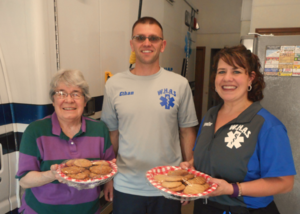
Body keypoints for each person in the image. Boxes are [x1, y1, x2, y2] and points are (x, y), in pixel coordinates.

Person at [181, 45, 296, 214]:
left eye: (236, 71)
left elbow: (285, 182)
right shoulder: (210, 116)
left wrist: (233, 189)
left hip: (244, 209)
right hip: (204, 206)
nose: (227, 78)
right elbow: (207, 155)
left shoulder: (267, 125)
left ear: (250, 78)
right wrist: (190, 166)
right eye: (221, 71)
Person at [101, 16, 198, 214]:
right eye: (140, 37)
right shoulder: (114, 85)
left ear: (163, 45)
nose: (147, 43)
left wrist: (187, 177)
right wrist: (108, 178)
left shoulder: (179, 84)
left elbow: (186, 132)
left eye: (153, 38)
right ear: (132, 44)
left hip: (168, 183)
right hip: (126, 185)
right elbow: (112, 135)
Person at [16, 69, 115, 214]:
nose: (69, 100)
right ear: (53, 99)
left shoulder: (99, 129)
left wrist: (108, 183)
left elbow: (108, 164)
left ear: (85, 100)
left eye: (76, 94)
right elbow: (24, 179)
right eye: (61, 93)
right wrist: (51, 175)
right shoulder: (35, 131)